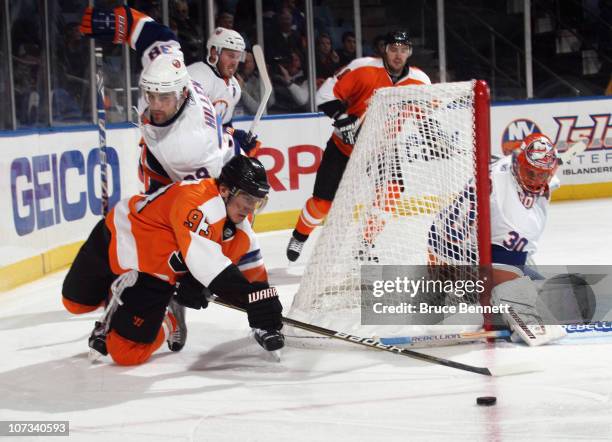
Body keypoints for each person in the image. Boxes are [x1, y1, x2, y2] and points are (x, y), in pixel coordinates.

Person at [61, 156, 284, 366]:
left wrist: (263, 305)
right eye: (246, 197)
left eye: (257, 201)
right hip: (115, 235)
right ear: (225, 190)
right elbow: (211, 269)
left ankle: (170, 319)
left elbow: (250, 273)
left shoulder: (239, 232)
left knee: (126, 353)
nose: (250, 208)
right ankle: (119, 301)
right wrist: (250, 299)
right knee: (75, 302)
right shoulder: (197, 201)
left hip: (153, 276)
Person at [286, 30, 431, 261]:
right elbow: (325, 95)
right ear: (385, 50)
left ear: (410, 53)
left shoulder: (420, 81)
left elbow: (426, 114)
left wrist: (432, 134)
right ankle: (300, 236)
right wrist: (341, 118)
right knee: (322, 205)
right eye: (393, 49)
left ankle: (364, 245)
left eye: (403, 50)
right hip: (345, 146)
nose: (398, 55)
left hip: (382, 149)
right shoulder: (363, 68)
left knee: (391, 193)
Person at [80, 5, 232, 194]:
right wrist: (122, 23)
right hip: (194, 156)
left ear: (183, 94)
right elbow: (159, 37)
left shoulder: (187, 149)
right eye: (151, 95)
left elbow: (205, 201)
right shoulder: (167, 69)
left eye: (164, 97)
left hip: (208, 175)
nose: (155, 105)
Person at [187, 27, 260, 156]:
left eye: (238, 57)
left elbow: (224, 124)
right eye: (231, 56)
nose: (234, 63)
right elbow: (189, 127)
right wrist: (231, 136)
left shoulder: (234, 87)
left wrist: (234, 135)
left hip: (207, 152)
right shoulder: (196, 77)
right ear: (214, 53)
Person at [235, 49, 276, 116]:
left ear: (254, 64)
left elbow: (260, 110)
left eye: (249, 62)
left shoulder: (257, 81)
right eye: (243, 61)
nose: (245, 64)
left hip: (252, 122)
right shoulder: (230, 80)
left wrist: (243, 91)